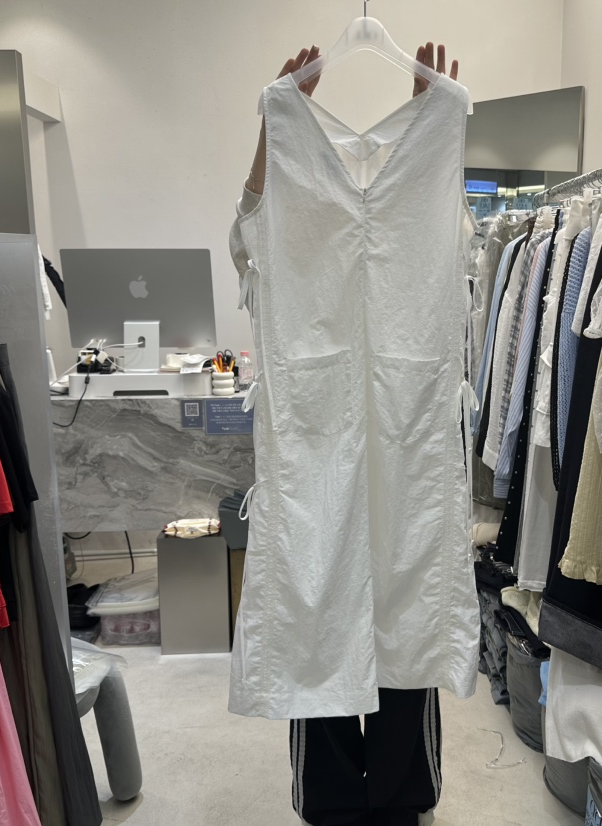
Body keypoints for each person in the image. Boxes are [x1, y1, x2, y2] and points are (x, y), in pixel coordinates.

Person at [230, 43, 461, 826]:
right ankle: (330, 794)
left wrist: (431, 111)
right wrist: (276, 118)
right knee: (313, 610)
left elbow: (434, 220)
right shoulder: (288, 175)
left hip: (407, 432)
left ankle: (401, 794)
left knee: (407, 602)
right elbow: (249, 228)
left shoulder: (437, 150)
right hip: (312, 439)